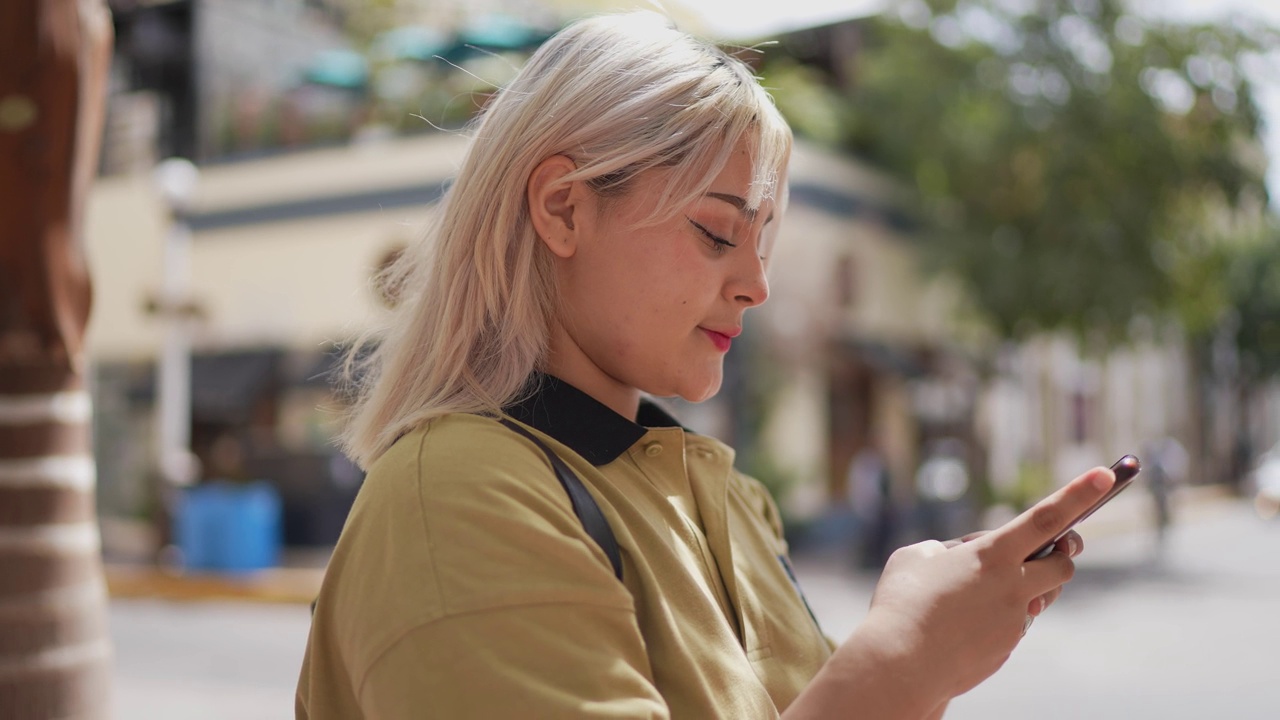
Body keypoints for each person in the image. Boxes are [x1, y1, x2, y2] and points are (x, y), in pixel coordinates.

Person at [295, 12, 1114, 719]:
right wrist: (907, 654)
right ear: (563, 207)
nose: (755, 285)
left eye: (762, 242)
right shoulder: (456, 493)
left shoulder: (727, 500)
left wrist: (936, 652)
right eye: (719, 233)